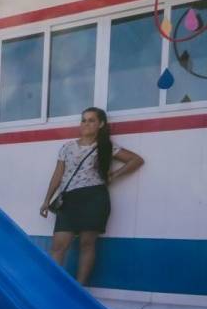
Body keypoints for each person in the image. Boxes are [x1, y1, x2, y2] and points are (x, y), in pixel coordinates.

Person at [39, 107, 144, 285]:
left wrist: (113, 175)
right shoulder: (67, 147)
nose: (86, 124)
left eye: (91, 120)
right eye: (83, 120)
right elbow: (58, 174)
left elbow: (136, 160)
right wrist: (46, 200)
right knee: (58, 246)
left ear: (101, 124)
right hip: (69, 199)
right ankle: (51, 288)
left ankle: (80, 291)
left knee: (87, 245)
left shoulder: (106, 147)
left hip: (94, 198)